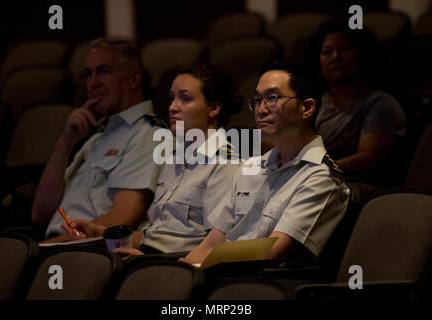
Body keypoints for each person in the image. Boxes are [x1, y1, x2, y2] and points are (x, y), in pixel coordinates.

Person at [179, 59, 350, 266]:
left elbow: (271, 251)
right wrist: (184, 271)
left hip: (264, 285)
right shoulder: (249, 168)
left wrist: (209, 264)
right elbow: (210, 244)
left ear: (306, 108)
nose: (261, 110)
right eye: (258, 100)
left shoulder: (321, 177)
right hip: (219, 275)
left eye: (272, 98)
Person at [62, 64, 243, 255]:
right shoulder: (173, 160)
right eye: (172, 98)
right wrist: (98, 232)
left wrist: (147, 261)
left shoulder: (225, 164)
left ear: (213, 108)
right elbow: (156, 235)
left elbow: (215, 246)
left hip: (179, 267)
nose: (173, 107)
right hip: (150, 258)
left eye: (185, 99)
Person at [32, 38, 163, 243]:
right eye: (88, 74)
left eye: (104, 71)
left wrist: (42, 249)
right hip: (58, 247)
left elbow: (119, 222)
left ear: (134, 79)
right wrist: (66, 142)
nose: (93, 83)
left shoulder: (148, 135)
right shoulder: (95, 141)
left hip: (88, 253)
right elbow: (40, 214)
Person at [309, 20, 406, 185]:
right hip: (316, 181)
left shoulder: (381, 103)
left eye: (344, 49)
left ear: (363, 56)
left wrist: (313, 171)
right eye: (327, 52)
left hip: (356, 186)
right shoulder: (314, 102)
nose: (335, 57)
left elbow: (369, 159)